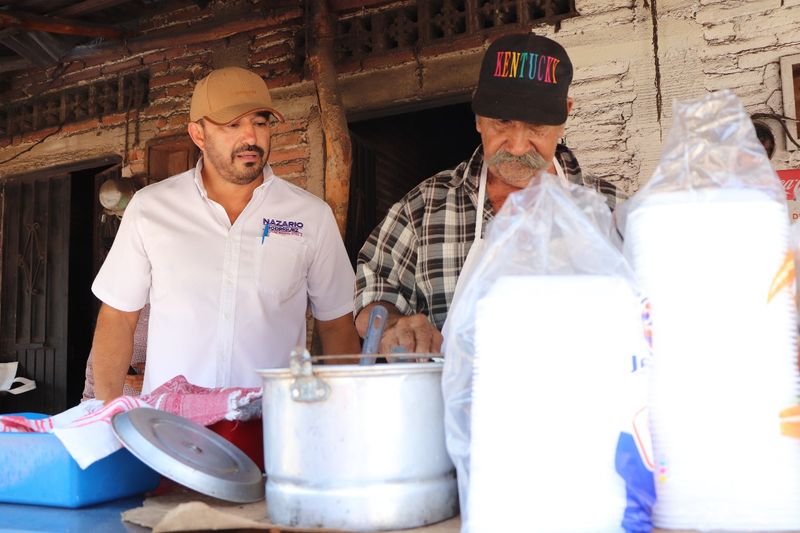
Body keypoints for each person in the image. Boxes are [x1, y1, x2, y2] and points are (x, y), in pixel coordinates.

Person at [91, 66, 361, 401]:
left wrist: (342, 412)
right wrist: (106, 412)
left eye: (260, 122)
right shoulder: (150, 209)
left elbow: (336, 324)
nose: (251, 137)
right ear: (198, 135)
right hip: (171, 429)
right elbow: (118, 317)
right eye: (233, 124)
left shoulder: (310, 217)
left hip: (268, 428)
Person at [354, 32, 620, 354]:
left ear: (565, 114)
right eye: (502, 122)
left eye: (537, 126)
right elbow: (373, 289)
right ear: (479, 118)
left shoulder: (612, 210)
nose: (518, 146)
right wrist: (395, 326)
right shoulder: (424, 208)